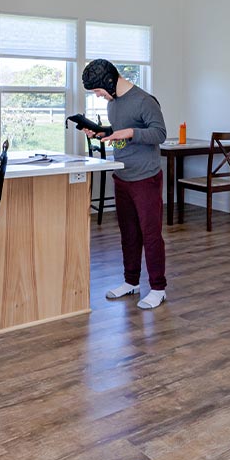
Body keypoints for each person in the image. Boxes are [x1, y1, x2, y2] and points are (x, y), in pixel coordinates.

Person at [82, 58, 167, 310]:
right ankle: (131, 282)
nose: (98, 96)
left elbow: (159, 134)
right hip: (123, 176)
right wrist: (106, 134)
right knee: (128, 234)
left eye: (98, 91)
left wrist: (129, 132)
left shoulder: (144, 101)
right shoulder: (114, 105)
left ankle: (158, 288)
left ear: (109, 82)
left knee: (150, 235)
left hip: (146, 178)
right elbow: (122, 140)